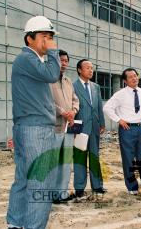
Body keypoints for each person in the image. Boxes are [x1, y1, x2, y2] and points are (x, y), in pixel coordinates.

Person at [7, 16, 60, 229]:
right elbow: (52, 74)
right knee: (41, 180)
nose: (48, 42)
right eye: (44, 37)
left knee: (24, 178)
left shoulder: (32, 61)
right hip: (36, 129)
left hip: (27, 127)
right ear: (29, 39)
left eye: (51, 38)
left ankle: (16, 223)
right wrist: (54, 51)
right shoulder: (27, 58)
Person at [103, 68, 141, 195]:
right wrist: (119, 120)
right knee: (128, 159)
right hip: (127, 129)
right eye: (131, 77)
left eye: (135, 76)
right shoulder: (120, 94)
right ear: (125, 81)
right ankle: (132, 187)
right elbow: (107, 108)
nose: (134, 78)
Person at [72, 59, 106, 199]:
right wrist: (73, 128)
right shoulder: (72, 86)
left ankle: (97, 185)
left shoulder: (95, 87)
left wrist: (102, 123)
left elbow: (99, 107)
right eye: (87, 68)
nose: (91, 70)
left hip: (94, 126)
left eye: (92, 68)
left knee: (94, 156)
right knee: (80, 157)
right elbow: (71, 106)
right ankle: (79, 187)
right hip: (80, 127)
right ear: (79, 70)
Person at [50, 50, 79, 203]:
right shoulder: (47, 80)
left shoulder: (68, 82)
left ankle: (62, 194)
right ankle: (52, 194)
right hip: (54, 128)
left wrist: (73, 111)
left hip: (68, 128)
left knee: (66, 162)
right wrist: (62, 112)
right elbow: (46, 101)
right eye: (61, 60)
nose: (64, 63)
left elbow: (75, 100)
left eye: (66, 61)